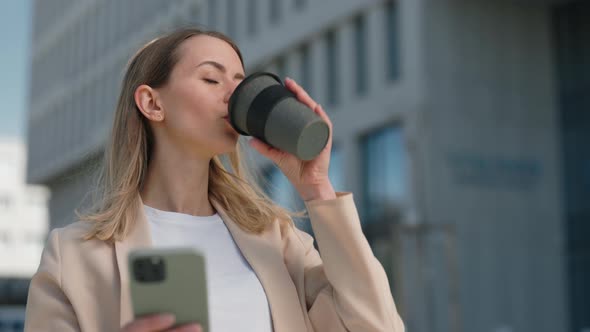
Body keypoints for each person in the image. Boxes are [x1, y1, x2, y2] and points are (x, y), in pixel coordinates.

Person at [24, 27, 405, 332]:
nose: (233, 96)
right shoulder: (74, 257)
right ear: (152, 103)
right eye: (211, 78)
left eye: (239, 83)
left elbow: (377, 326)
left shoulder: (279, 241)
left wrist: (317, 188)